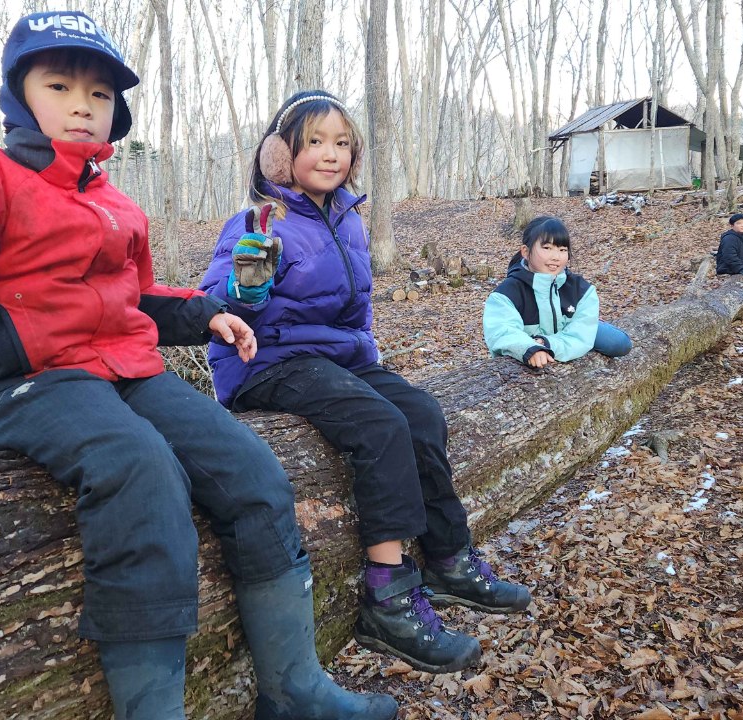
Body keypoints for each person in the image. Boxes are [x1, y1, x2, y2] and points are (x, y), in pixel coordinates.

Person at [0, 13, 396, 720]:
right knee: (140, 469)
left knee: (253, 471)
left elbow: (136, 295)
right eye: (59, 86)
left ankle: (294, 689)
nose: (82, 105)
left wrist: (207, 314)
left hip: (129, 372)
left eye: (99, 94)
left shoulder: (115, 206)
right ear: (19, 96)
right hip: (29, 382)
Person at [200, 91, 532, 676]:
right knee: (380, 425)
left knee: (421, 413)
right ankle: (389, 595)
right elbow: (218, 300)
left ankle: (449, 559)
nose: (331, 154)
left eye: (342, 143)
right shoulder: (261, 220)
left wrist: (367, 357)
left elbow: (357, 310)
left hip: (338, 359)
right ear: (280, 155)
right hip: (267, 361)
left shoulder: (348, 218)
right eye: (315, 142)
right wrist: (244, 288)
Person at [483, 215, 632, 368]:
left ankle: (592, 325)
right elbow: (501, 331)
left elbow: (580, 336)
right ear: (526, 252)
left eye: (562, 250)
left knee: (619, 342)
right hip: (533, 340)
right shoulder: (507, 293)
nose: (556, 257)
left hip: (564, 333)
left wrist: (546, 343)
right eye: (547, 248)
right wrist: (530, 348)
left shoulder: (580, 289)